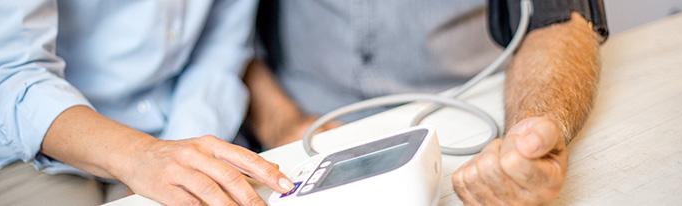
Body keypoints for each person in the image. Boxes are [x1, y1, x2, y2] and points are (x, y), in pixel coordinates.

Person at [248, 1, 603, 205]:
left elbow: (560, 18)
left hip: (469, 122)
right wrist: (280, 121)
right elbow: (220, 36)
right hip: (301, 136)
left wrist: (528, 136)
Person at [0, 1, 294, 205]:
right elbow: (10, 74)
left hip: (169, 122)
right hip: (15, 145)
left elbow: (218, 52)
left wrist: (180, 157)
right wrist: (140, 156)